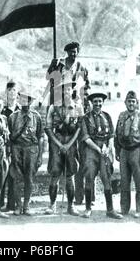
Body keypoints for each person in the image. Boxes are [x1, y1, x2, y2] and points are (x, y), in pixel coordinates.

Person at [79, 92, 123, 219]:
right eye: (95, 102)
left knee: (106, 178)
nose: (98, 104)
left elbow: (111, 136)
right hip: (91, 150)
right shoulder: (86, 118)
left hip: (104, 151)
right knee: (89, 178)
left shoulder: (107, 116)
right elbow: (86, 138)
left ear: (103, 103)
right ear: (91, 103)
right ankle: (88, 209)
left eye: (100, 101)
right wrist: (98, 149)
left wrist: (108, 147)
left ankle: (110, 210)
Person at [44, 80, 83, 216]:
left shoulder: (77, 107)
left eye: (69, 90)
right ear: (60, 92)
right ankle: (52, 205)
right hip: (57, 142)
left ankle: (71, 206)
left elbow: (79, 128)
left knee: (70, 175)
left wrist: (69, 144)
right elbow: (48, 128)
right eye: (64, 90)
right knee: (54, 174)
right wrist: (60, 144)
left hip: (71, 143)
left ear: (72, 91)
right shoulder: (53, 108)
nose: (67, 92)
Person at [8, 88, 44, 216]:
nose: (24, 101)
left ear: (30, 101)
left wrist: (39, 156)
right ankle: (18, 206)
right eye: (22, 98)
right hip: (17, 149)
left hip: (31, 150)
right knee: (17, 178)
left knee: (29, 179)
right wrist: (10, 153)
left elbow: (40, 137)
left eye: (26, 99)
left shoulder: (36, 117)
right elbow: (10, 137)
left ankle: (26, 205)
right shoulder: (13, 117)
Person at [115, 91, 140, 218]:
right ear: (125, 102)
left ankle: (139, 209)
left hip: (137, 151)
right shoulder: (121, 116)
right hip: (124, 152)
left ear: (137, 103)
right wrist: (117, 150)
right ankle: (124, 208)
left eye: (133, 101)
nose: (131, 104)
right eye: (129, 101)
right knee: (124, 182)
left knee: (139, 182)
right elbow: (116, 134)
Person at [0, 80, 21, 212]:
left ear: (17, 93)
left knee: (15, 176)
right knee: (2, 174)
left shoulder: (21, 110)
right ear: (6, 93)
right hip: (6, 147)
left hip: (18, 147)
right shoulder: (4, 111)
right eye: (9, 91)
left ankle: (11, 204)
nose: (12, 93)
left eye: (14, 91)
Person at [45, 42, 90, 106]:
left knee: (76, 110)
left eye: (74, 52)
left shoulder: (79, 65)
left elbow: (87, 81)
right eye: (70, 52)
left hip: (71, 94)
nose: (72, 54)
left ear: (77, 52)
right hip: (58, 93)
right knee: (52, 110)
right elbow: (47, 77)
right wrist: (52, 65)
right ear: (67, 52)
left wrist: (85, 92)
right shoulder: (59, 63)